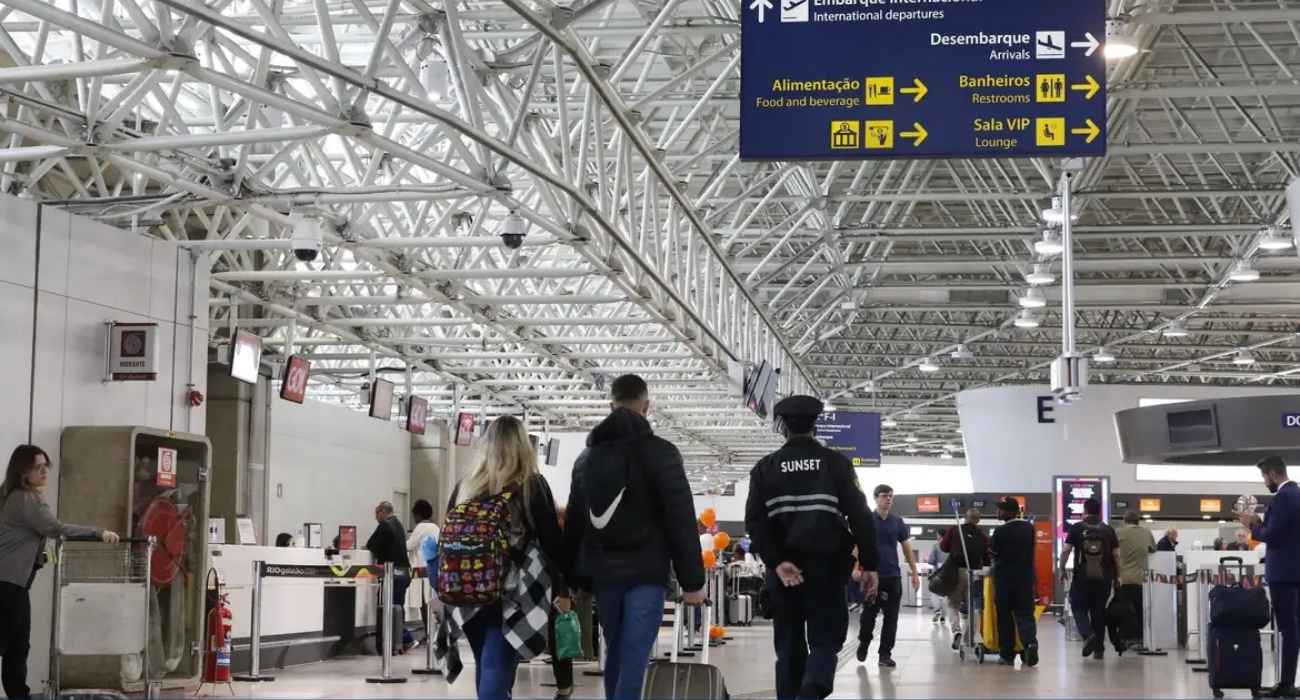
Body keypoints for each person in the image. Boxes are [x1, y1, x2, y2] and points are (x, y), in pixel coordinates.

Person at [564, 374, 705, 700]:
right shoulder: (662, 453)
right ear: (647, 406)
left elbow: (574, 523)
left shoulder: (586, 459)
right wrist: (693, 582)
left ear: (611, 406)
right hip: (647, 573)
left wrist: (571, 579)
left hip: (603, 574)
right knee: (634, 655)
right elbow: (680, 519)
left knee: (618, 650)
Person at [744, 395, 878, 700]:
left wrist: (777, 562)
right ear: (815, 425)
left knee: (789, 645)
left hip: (784, 575)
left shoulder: (765, 468)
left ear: (782, 427)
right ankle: (811, 691)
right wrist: (869, 565)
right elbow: (860, 517)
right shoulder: (836, 464)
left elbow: (755, 523)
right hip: (827, 571)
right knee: (825, 640)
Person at [445, 416, 570, 700]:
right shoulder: (531, 485)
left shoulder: (465, 486)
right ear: (522, 446)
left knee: (486, 664)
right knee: (495, 665)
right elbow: (552, 544)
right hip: (511, 591)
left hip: (465, 588)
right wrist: (566, 583)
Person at [0, 445, 120, 699]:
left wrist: (39, 557)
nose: (44, 471)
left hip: (12, 582)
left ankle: (18, 694)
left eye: (46, 466)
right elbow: (55, 528)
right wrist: (98, 533)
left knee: (16, 646)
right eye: (37, 467)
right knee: (15, 645)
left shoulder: (16, 496)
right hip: (8, 584)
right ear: (23, 471)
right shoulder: (24, 498)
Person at [1239, 457, 1299, 698]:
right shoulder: (1297, 495)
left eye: (1265, 478)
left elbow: (1273, 537)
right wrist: (1261, 523)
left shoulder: (1283, 498)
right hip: (1296, 571)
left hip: (1283, 574)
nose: (1265, 483)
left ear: (1273, 474)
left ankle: (1286, 685)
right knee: (1295, 627)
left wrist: (1252, 527)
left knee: (1288, 629)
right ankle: (1287, 683)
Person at [856, 484, 918, 668]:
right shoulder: (867, 520)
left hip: (893, 577)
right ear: (875, 498)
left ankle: (885, 654)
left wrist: (914, 572)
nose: (888, 499)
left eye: (891, 496)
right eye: (884, 496)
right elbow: (857, 546)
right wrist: (856, 568)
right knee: (868, 616)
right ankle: (864, 641)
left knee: (891, 619)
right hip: (872, 576)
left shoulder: (897, 522)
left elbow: (907, 549)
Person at [1059, 497, 1120, 659]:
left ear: (1084, 511)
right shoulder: (1108, 530)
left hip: (1082, 577)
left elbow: (1066, 551)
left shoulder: (1076, 528)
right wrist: (1117, 576)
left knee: (1078, 606)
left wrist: (1061, 569)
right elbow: (1116, 556)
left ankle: (1088, 635)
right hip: (1104, 577)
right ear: (1099, 511)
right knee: (1098, 610)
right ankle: (1099, 649)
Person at [990, 497, 1038, 667]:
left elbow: (994, 555)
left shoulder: (1000, 532)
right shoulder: (1029, 528)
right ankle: (1030, 645)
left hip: (1004, 581)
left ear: (1008, 511)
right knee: (1025, 615)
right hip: (1025, 580)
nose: (997, 512)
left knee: (1005, 618)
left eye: (1000, 509)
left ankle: (1007, 655)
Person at [939, 508, 990, 650]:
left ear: (965, 518)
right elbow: (987, 558)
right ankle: (970, 637)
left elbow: (944, 547)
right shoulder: (982, 536)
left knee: (952, 605)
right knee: (974, 607)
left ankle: (956, 632)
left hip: (956, 572)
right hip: (975, 574)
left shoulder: (955, 530)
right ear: (978, 520)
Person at [366, 500, 412, 653]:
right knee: (398, 607)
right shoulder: (398, 524)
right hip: (404, 572)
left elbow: (371, 545)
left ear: (382, 512)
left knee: (389, 607)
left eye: (376, 514)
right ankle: (400, 642)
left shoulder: (385, 525)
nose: (376, 518)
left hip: (392, 573)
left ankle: (399, 641)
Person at [1116, 510, 1155, 649]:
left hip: (1124, 578)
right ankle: (1140, 638)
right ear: (1138, 521)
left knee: (1126, 609)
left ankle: (1127, 638)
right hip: (1141, 578)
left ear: (1125, 520)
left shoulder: (1119, 533)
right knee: (1140, 609)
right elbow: (1153, 550)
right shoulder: (1146, 532)